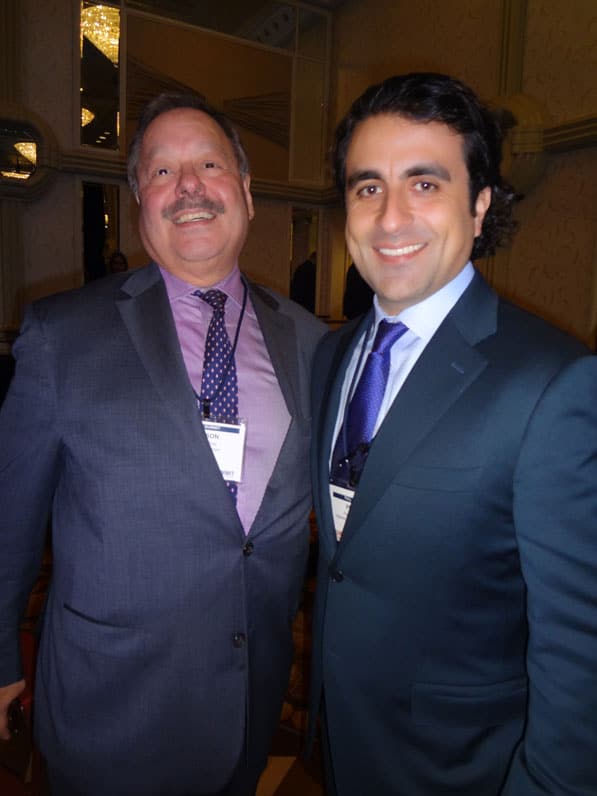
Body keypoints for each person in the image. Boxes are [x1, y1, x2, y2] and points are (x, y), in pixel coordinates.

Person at [0, 93, 325, 796]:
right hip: (110, 707)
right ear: (139, 203)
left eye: (209, 165)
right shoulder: (61, 335)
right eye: (161, 171)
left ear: (245, 192)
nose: (188, 187)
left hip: (248, 703)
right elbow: (9, 520)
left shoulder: (311, 342)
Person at [308, 73, 597, 795]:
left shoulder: (553, 383)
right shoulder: (331, 355)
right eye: (368, 187)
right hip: (343, 739)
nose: (390, 217)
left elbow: (580, 647)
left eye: (424, 184)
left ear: (479, 205)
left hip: (462, 766)